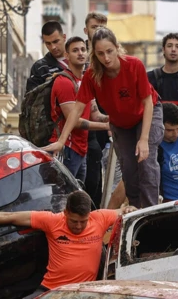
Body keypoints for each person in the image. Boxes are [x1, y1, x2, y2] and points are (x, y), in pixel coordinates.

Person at [0, 190, 135, 299]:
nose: (78, 226)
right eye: (74, 221)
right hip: (50, 291)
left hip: (83, 293)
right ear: (65, 212)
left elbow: (125, 211)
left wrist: (129, 209)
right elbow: (10, 217)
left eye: (83, 221)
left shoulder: (99, 218)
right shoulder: (52, 221)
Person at [67, 27, 164, 208]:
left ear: (117, 47)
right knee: (128, 169)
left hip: (146, 113)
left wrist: (143, 139)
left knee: (145, 161)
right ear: (94, 55)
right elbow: (76, 109)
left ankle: (151, 209)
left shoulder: (134, 65)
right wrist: (61, 141)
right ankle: (136, 209)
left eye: (109, 51)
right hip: (121, 123)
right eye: (100, 53)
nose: (106, 58)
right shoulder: (92, 75)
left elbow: (148, 102)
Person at [42, 36, 100, 183]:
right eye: (75, 50)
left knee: (77, 194)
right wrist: (107, 126)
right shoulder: (64, 82)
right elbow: (74, 121)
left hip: (81, 149)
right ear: (67, 56)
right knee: (62, 192)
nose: (80, 53)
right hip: (66, 149)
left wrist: (116, 119)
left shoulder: (86, 81)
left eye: (83, 49)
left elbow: (96, 115)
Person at [83, 12, 110, 207]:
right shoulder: (79, 53)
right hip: (84, 128)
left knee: (105, 180)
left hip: (106, 125)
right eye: (94, 27)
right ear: (86, 30)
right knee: (88, 181)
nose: (99, 31)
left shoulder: (111, 56)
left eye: (103, 27)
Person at [25, 21, 70, 96]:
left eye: (55, 41)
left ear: (64, 37)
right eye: (48, 43)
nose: (53, 47)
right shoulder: (39, 67)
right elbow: (30, 98)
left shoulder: (78, 59)